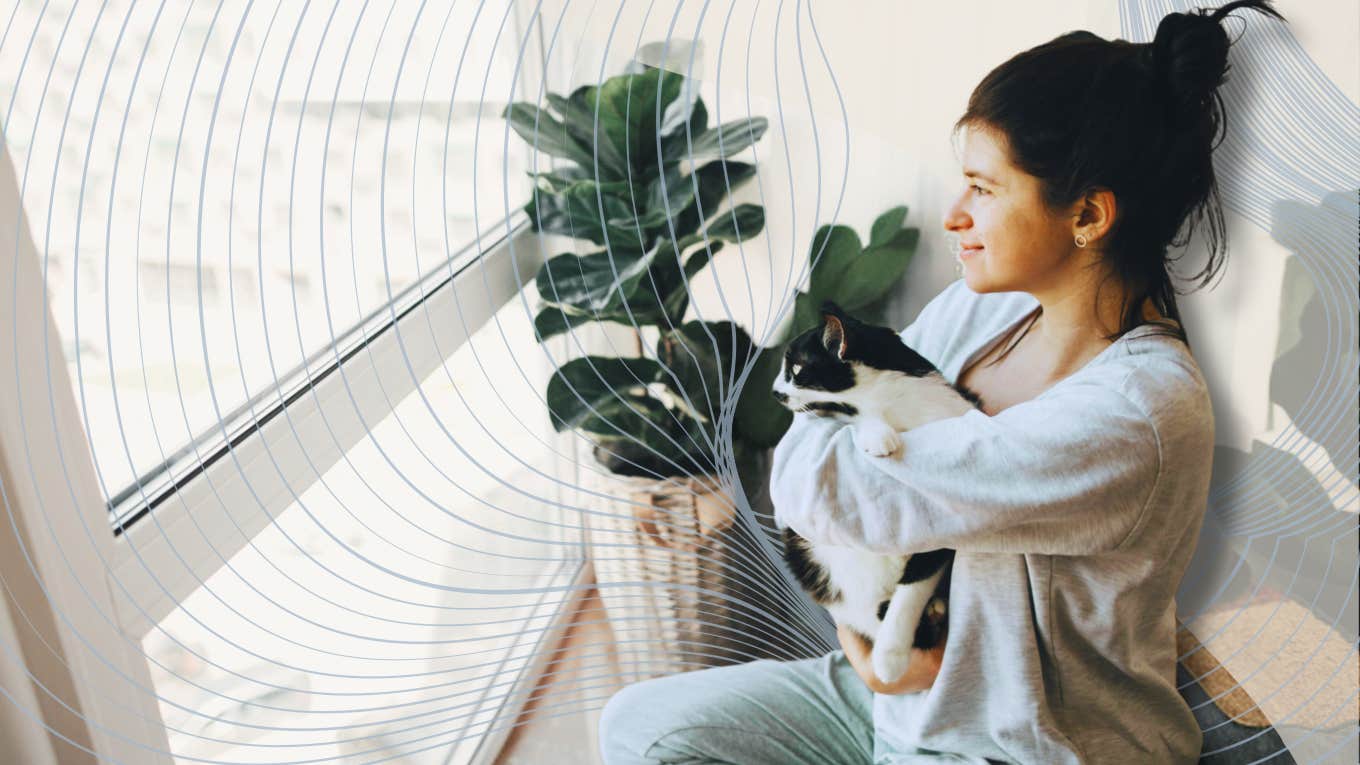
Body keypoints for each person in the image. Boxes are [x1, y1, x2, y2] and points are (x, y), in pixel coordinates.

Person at [597, 2, 1287, 762]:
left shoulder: (1142, 412)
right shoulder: (977, 310)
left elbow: (829, 487)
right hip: (894, 698)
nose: (955, 214)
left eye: (984, 189)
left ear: (1088, 215)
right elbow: (812, 480)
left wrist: (839, 442)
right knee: (639, 725)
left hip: (1017, 744)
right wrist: (859, 638)